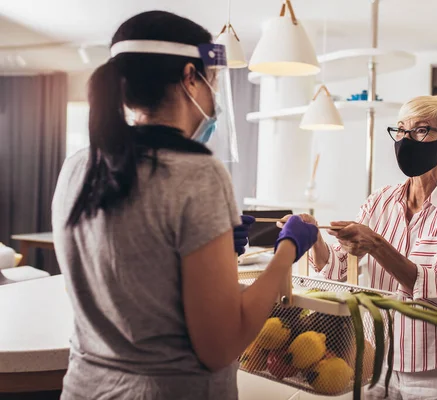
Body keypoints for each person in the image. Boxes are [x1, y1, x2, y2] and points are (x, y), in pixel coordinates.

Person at [51, 11, 318, 400]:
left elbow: (132, 271)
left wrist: (213, 248)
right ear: (190, 76)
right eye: (212, 81)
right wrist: (288, 249)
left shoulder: (78, 165)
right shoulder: (197, 174)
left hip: (85, 388)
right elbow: (221, 346)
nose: (213, 97)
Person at [281, 94, 437, 399]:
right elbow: (337, 269)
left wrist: (377, 244)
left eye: (419, 130)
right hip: (374, 358)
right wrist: (315, 240)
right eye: (401, 130)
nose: (405, 140)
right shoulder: (380, 200)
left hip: (433, 366)